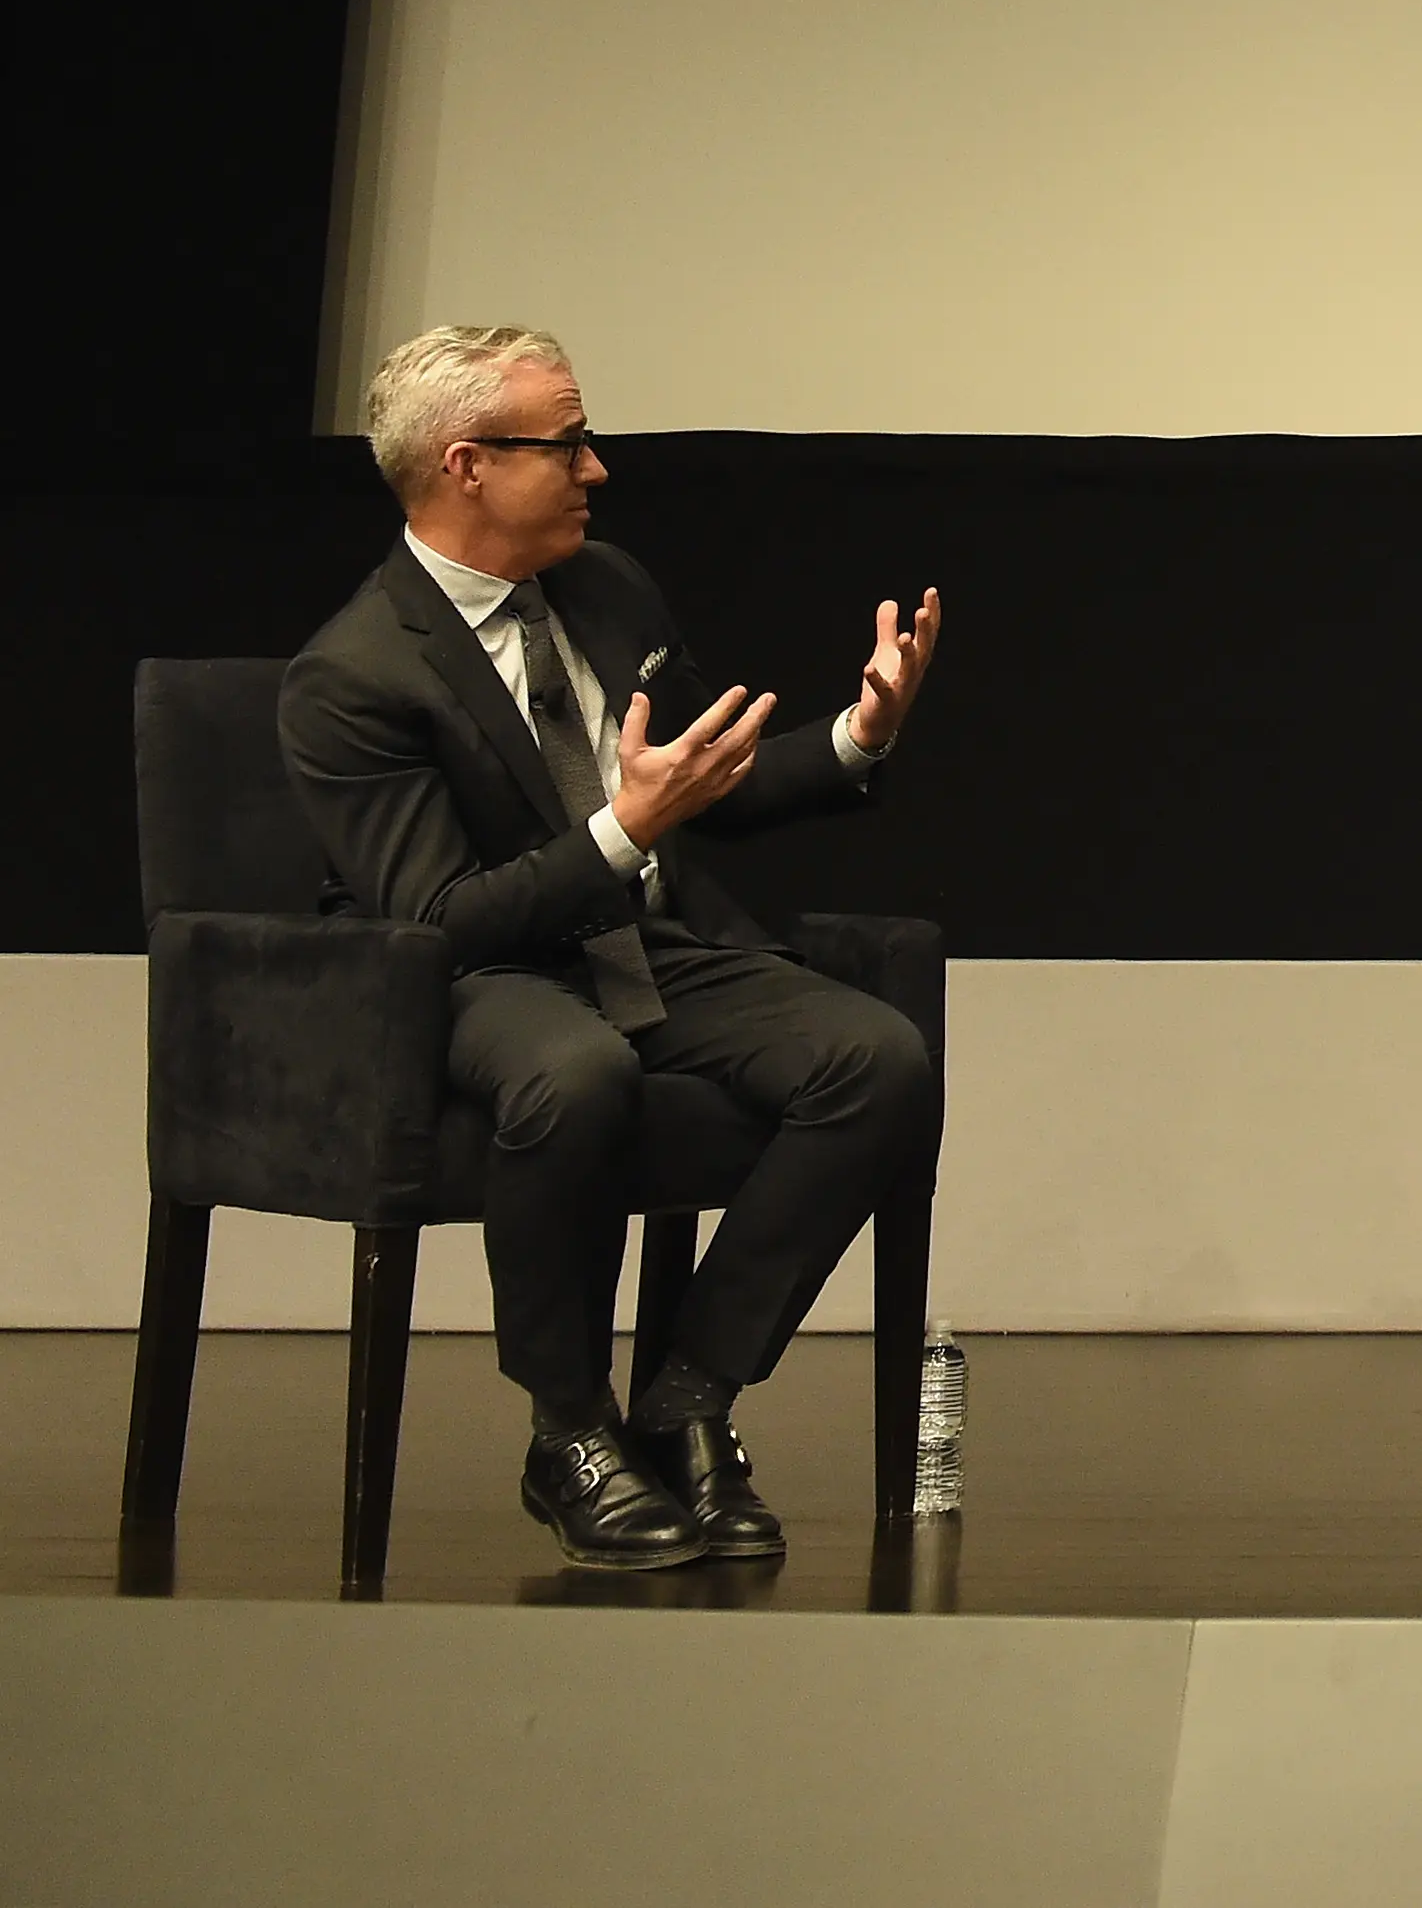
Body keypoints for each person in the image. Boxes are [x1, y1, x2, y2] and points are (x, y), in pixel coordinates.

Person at [280, 326, 945, 1569]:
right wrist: (618, 830)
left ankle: (689, 1404)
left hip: (636, 938)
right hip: (475, 973)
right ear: (467, 464)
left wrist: (855, 734)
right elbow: (436, 920)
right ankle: (570, 1431)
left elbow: (711, 780)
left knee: (876, 1060)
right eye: (568, 444)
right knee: (579, 1073)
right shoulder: (353, 675)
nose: (597, 471)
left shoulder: (608, 586)